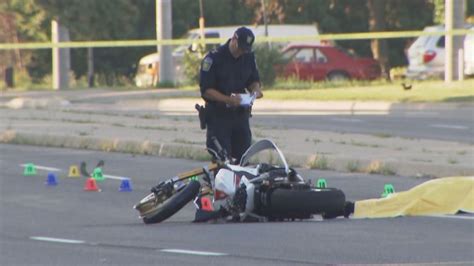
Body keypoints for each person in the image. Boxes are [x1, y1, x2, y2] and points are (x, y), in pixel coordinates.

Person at [199, 26, 263, 164]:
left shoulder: (248, 57)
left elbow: (253, 79)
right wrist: (228, 99)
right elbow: (206, 90)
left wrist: (255, 90)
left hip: (240, 116)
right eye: (240, 48)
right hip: (218, 116)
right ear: (233, 39)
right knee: (222, 160)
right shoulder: (214, 58)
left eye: (245, 49)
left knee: (244, 158)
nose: (241, 52)